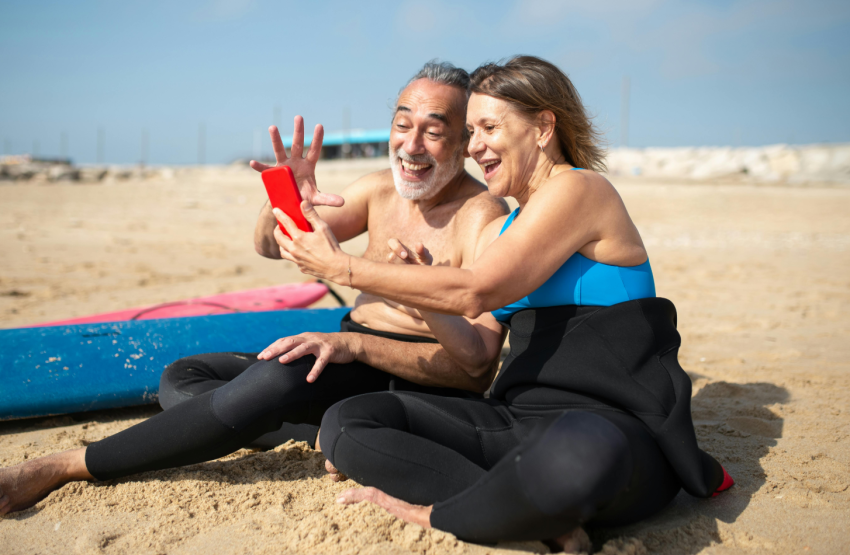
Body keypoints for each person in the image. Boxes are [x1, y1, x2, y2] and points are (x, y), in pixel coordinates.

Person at [0, 61, 509, 516]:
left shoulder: (481, 217)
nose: (411, 145)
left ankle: (66, 465)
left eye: (434, 132)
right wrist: (287, 196)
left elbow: (475, 370)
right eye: (403, 125)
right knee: (183, 377)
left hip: (413, 375)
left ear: (465, 142)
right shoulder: (380, 189)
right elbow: (271, 244)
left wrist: (352, 344)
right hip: (346, 358)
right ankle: (324, 434)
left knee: (271, 382)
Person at [269, 55, 734, 551]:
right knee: (350, 421)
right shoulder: (501, 229)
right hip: (516, 423)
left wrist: (342, 268)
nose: (474, 146)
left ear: (543, 127)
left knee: (577, 450)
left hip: (610, 427)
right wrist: (420, 290)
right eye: (470, 132)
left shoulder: (581, 189)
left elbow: (475, 289)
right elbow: (474, 348)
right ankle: (533, 515)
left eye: (489, 127)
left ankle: (446, 510)